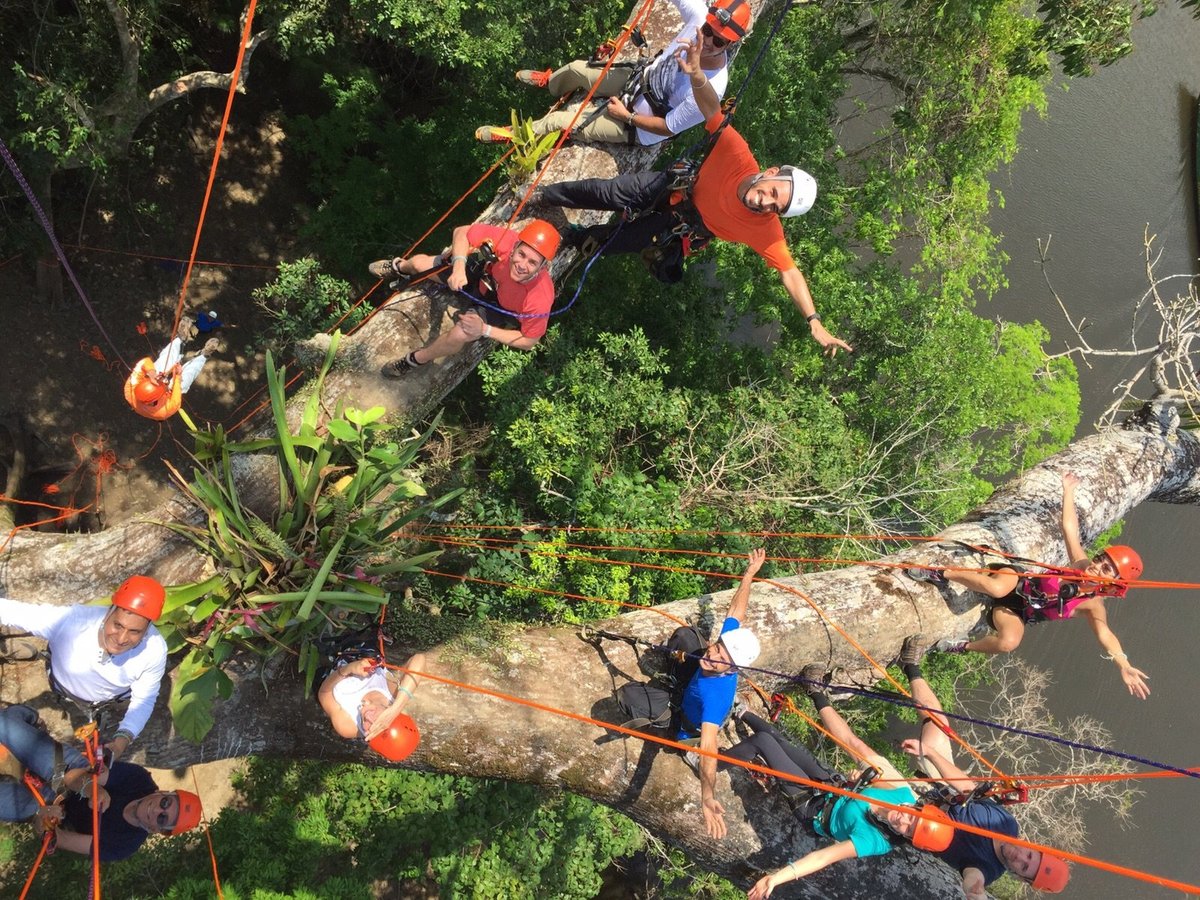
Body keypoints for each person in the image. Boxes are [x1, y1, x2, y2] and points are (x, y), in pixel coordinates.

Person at [540, 31, 851, 354]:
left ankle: (570, 236)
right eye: (772, 192)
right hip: (674, 188)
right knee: (607, 193)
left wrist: (813, 320)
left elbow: (790, 271)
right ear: (770, 173)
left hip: (677, 226)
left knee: (607, 243)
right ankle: (546, 194)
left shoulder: (765, 229)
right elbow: (712, 111)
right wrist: (698, 76)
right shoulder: (738, 154)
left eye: (775, 207)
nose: (766, 202)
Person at [903, 472, 1149, 699]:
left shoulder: (1093, 606)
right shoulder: (1080, 565)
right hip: (1016, 581)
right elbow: (1069, 530)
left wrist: (1124, 665)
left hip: (1018, 610)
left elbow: (1106, 634)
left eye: (1106, 569)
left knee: (1009, 642)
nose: (1096, 566)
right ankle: (940, 573)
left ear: (1113, 583)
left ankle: (961, 646)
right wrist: (1068, 491)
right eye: (1100, 559)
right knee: (998, 588)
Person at [736, 665, 954, 897]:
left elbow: (824, 857)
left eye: (907, 829)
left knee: (765, 743)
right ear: (917, 806)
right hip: (833, 787)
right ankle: (741, 712)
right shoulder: (904, 796)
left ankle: (706, 759)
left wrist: (776, 878)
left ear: (906, 838)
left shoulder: (874, 840)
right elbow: (871, 784)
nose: (903, 819)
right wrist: (858, 781)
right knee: (780, 741)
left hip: (813, 809)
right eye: (912, 816)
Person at [895, 635, 1071, 895]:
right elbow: (965, 787)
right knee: (937, 722)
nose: (1021, 858)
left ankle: (818, 700)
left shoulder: (987, 869)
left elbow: (972, 880)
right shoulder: (1007, 824)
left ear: (1020, 877)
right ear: (1034, 847)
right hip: (939, 789)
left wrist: (975, 892)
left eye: (1024, 867)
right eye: (1030, 857)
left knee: (870, 763)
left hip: (912, 814)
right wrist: (930, 753)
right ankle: (910, 665)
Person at [475, 0, 747, 146]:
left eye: (719, 41)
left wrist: (627, 115)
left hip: (640, 123)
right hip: (638, 81)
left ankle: (515, 134)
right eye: (708, 31)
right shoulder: (699, 19)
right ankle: (552, 83)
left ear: (730, 44)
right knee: (575, 69)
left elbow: (668, 128)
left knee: (559, 121)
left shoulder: (711, 89)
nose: (708, 41)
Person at [0, 576, 169, 762]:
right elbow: (13, 612)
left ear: (147, 630)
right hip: (60, 683)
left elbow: (144, 700)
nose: (121, 638)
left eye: (134, 632)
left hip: (105, 700)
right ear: (109, 612)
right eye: (117, 625)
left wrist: (122, 741)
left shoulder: (154, 649)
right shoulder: (73, 622)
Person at [0, 705, 201, 861]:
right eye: (165, 802)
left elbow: (56, 839)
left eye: (163, 819)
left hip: (50, 807)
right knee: (4, 725)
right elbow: (73, 776)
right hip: (66, 770)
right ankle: (27, 718)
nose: (157, 810)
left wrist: (42, 820)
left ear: (159, 831)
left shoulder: (123, 845)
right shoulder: (138, 780)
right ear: (163, 793)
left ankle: (20, 727)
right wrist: (91, 789)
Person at [372, 219, 560, 377]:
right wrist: (459, 267)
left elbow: (529, 341)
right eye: (521, 254)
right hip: (483, 276)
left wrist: (485, 330)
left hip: (495, 306)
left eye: (532, 262)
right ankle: (399, 267)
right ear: (515, 248)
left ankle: (416, 360)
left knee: (460, 333)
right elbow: (462, 232)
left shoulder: (539, 297)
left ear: (541, 267)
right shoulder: (507, 240)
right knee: (419, 264)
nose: (522, 265)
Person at [318, 651, 427, 743]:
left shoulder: (347, 726)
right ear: (390, 714)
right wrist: (396, 707)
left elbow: (324, 693)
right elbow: (419, 658)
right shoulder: (393, 693)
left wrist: (348, 669)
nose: (367, 718)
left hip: (329, 669)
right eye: (378, 721)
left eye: (369, 729)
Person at [124, 337, 218, 420]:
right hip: (169, 393)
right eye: (161, 383)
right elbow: (176, 396)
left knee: (163, 362)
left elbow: (143, 362)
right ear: (159, 397)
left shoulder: (131, 389)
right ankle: (203, 356)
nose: (161, 380)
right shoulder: (165, 410)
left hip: (153, 381)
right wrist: (177, 375)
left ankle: (180, 339)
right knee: (185, 379)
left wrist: (152, 373)